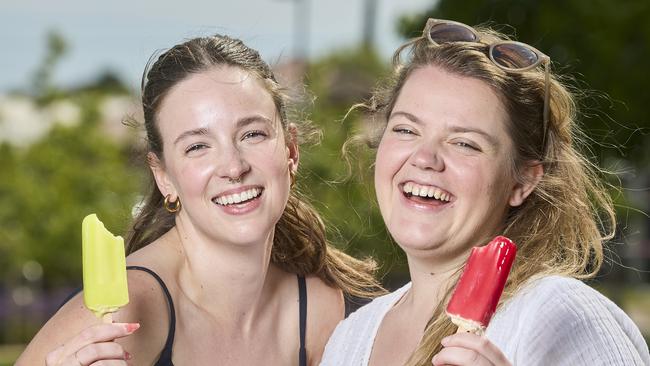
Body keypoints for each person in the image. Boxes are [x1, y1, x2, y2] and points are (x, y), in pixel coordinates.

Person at [17, 34, 383, 366]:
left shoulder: (319, 310)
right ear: (164, 177)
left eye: (252, 134)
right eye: (197, 146)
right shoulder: (127, 309)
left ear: (291, 150)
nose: (233, 166)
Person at [321, 18, 650, 366]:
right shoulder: (351, 336)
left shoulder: (556, 313)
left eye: (465, 143)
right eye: (406, 129)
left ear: (522, 182)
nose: (425, 157)